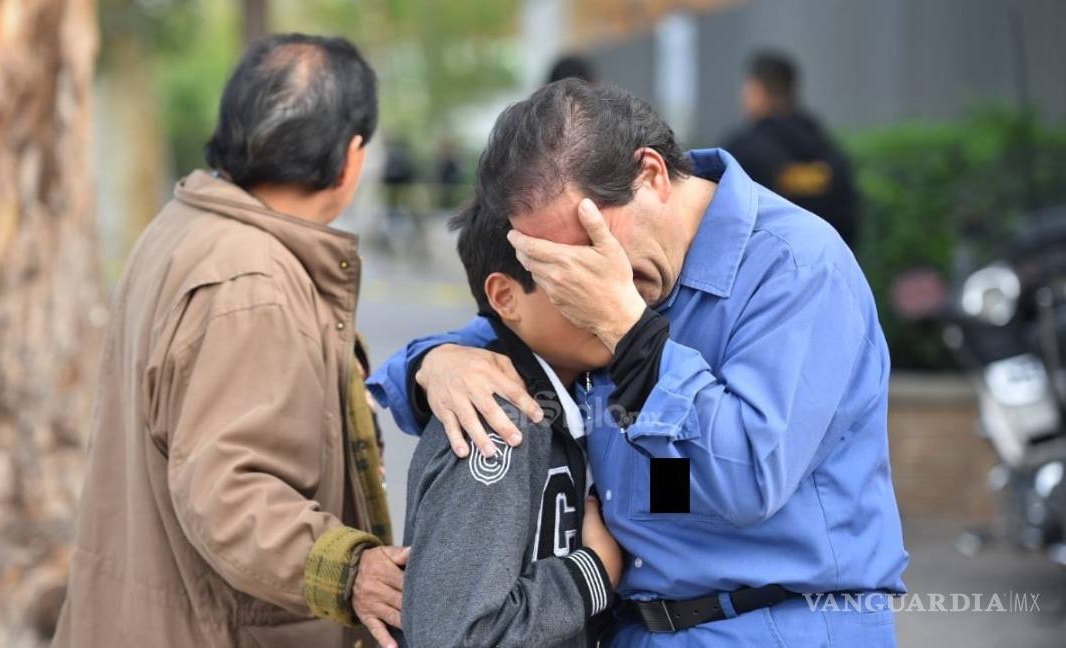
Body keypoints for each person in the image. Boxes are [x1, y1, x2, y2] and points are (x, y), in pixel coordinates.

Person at [369, 79, 908, 647]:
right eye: (554, 268)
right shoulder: (594, 286)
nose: (580, 283)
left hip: (775, 625)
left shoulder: (796, 268)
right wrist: (437, 361)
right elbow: (476, 354)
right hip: (632, 628)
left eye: (589, 248)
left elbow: (749, 478)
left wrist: (629, 329)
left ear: (650, 174)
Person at [54, 34, 406, 648]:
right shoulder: (252, 282)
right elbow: (228, 490)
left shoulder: (187, 226)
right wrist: (348, 570)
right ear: (351, 158)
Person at [397, 201, 621, 647]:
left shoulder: (586, 396)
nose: (612, 293)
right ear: (505, 296)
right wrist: (592, 573)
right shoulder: (498, 419)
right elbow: (453, 636)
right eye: (574, 274)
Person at [723, 51, 859, 250]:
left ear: (757, 91)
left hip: (765, 268)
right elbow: (850, 222)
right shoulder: (828, 150)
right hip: (826, 265)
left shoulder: (742, 151)